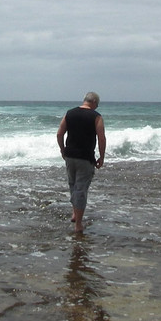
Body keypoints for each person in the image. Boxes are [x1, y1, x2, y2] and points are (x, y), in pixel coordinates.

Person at [56, 92, 106, 235]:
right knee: (81, 188)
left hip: (70, 155)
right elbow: (101, 138)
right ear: (94, 102)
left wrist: (62, 149)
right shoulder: (96, 116)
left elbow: (60, 134)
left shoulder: (70, 113)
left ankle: (74, 213)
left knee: (73, 185)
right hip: (85, 157)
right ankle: (78, 224)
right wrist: (101, 157)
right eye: (97, 104)